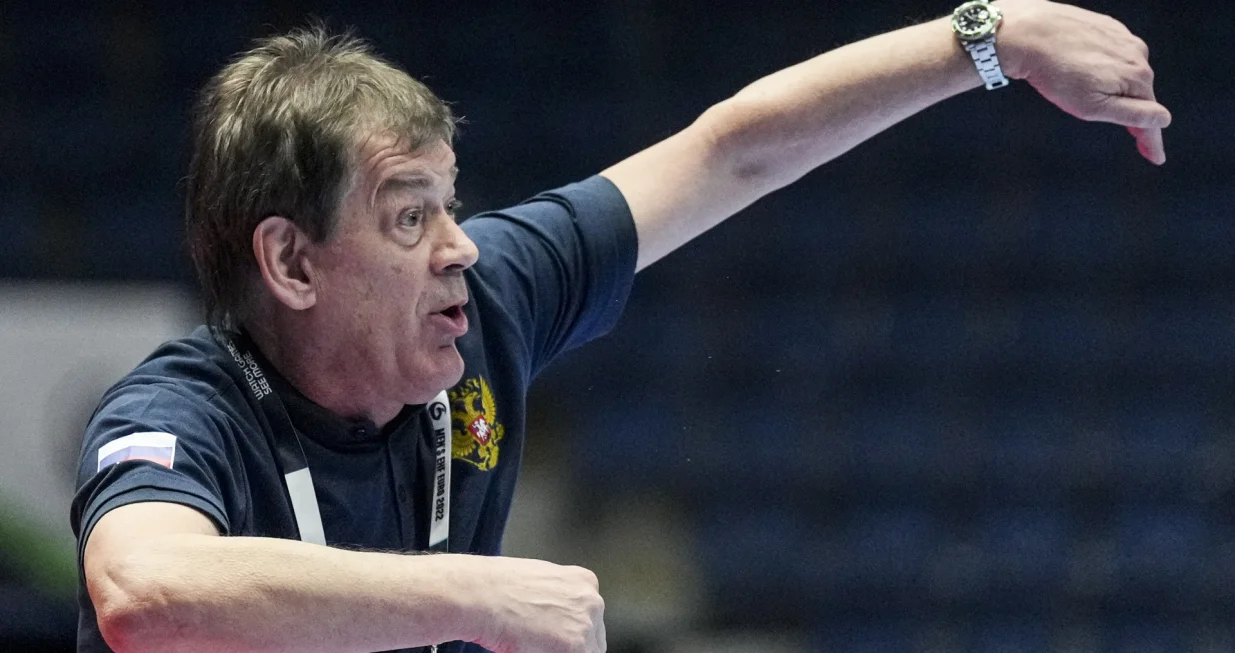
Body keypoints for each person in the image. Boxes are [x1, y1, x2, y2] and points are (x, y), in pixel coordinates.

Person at [71, 1, 1167, 651]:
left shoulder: (486, 295)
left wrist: (989, 37)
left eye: (451, 202)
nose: (459, 244)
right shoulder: (184, 413)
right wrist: (471, 596)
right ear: (291, 261)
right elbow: (145, 591)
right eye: (410, 215)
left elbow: (729, 148)